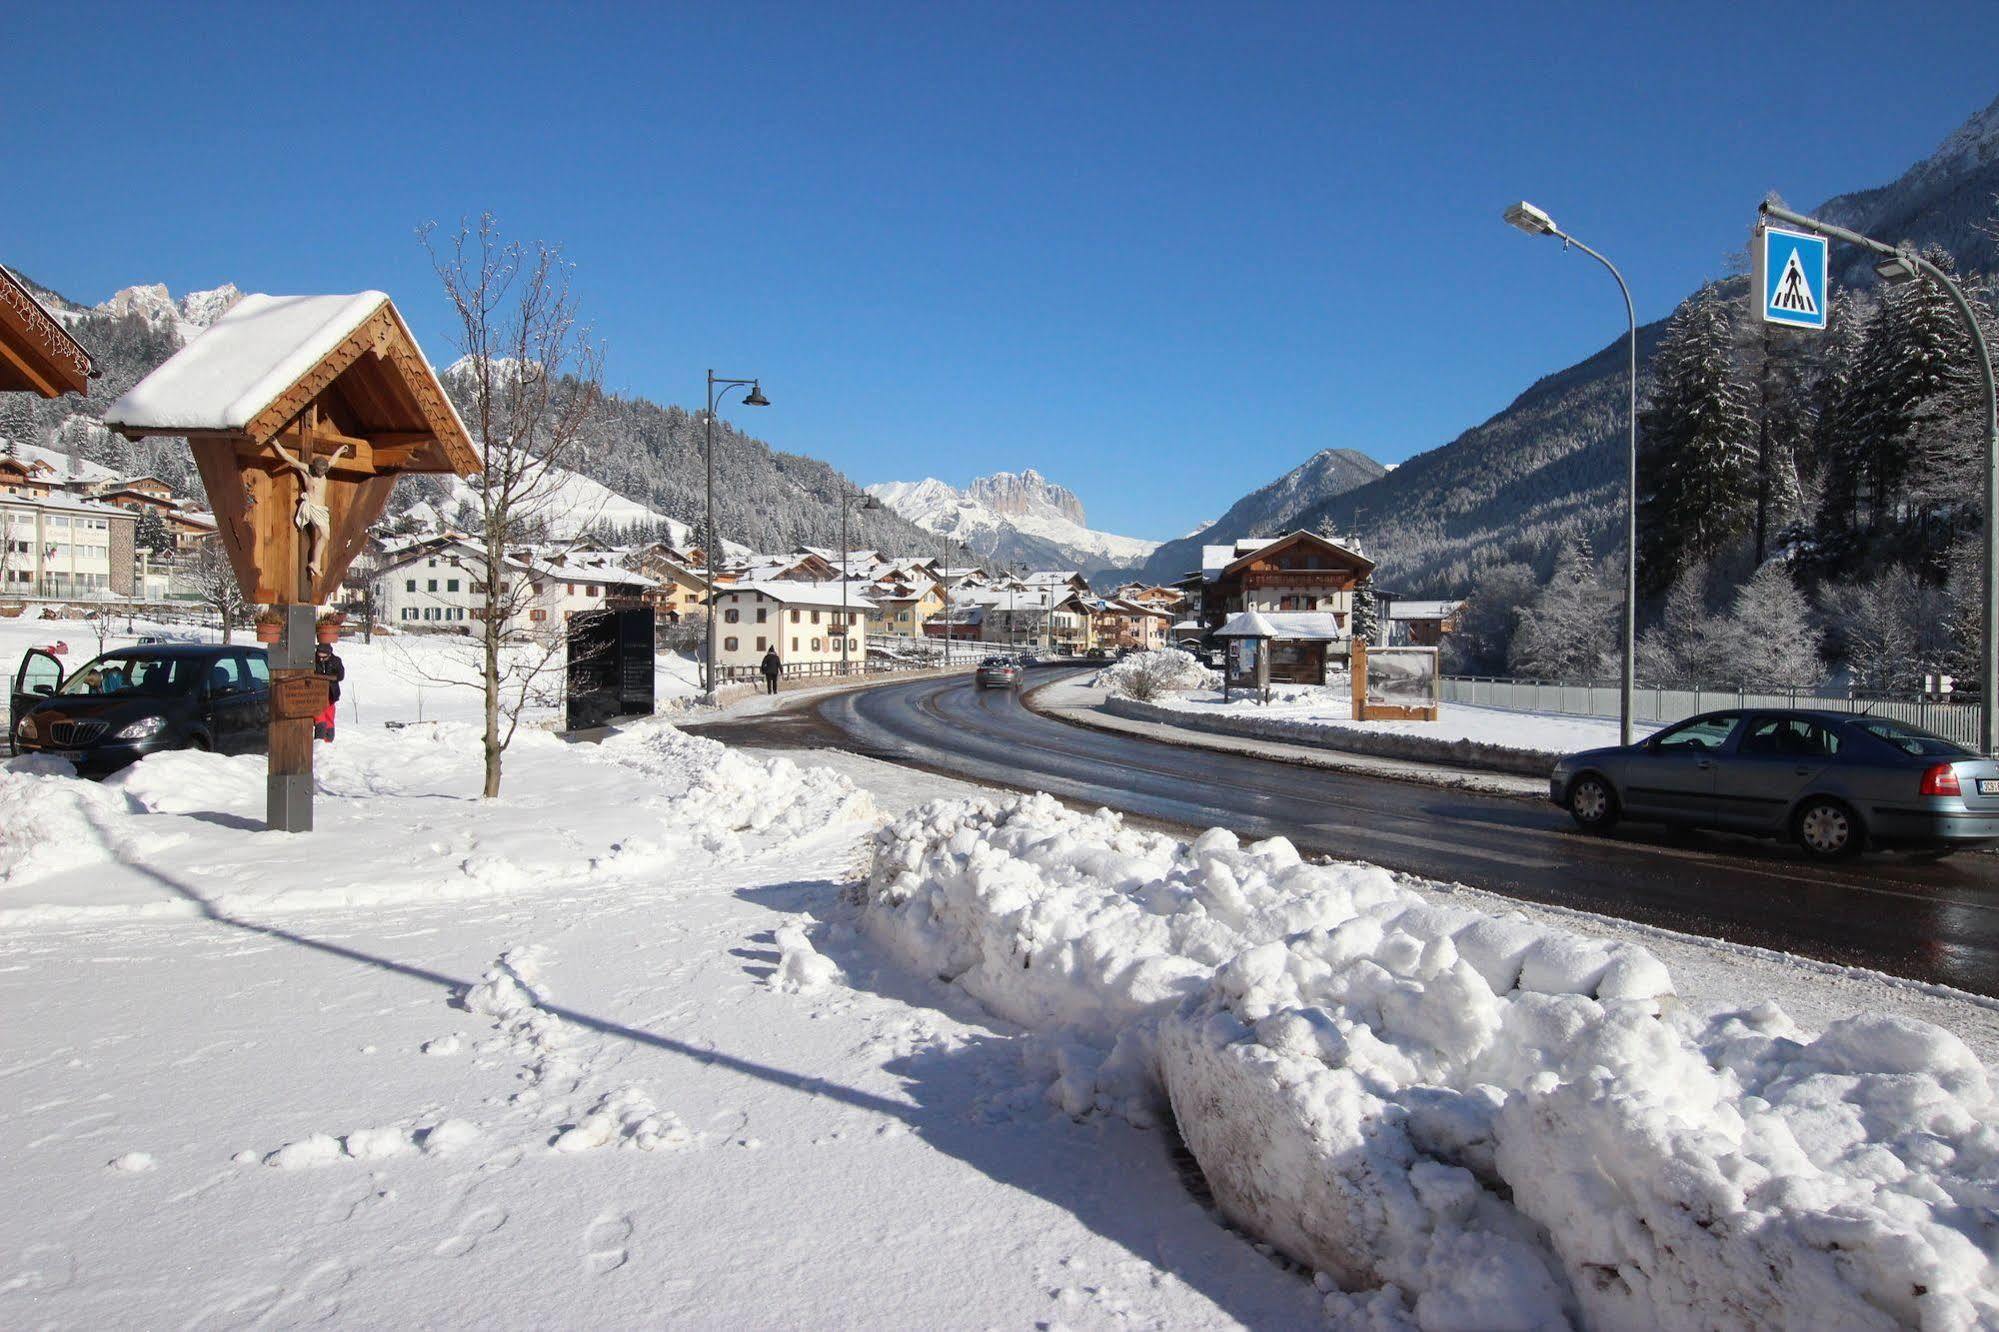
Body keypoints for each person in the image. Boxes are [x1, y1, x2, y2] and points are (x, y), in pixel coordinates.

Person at [313, 640, 346, 742]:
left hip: (330, 695)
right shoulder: (313, 660)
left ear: (330, 654)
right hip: (316, 695)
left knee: (329, 719)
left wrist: (326, 677)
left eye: (324, 657)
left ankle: (328, 742)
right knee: (319, 718)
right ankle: (319, 742)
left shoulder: (336, 661)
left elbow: (340, 676)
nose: (321, 659)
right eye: (320, 656)